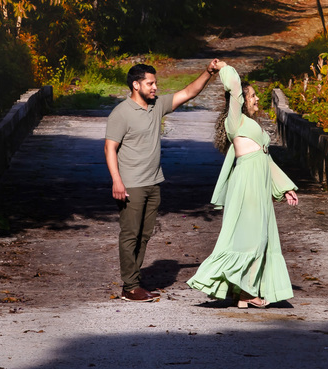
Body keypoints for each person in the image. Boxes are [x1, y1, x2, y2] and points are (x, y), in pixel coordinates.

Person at [105, 58, 225, 302]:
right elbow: (109, 148)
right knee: (130, 234)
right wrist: (116, 181)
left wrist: (208, 72)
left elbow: (189, 92)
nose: (155, 87)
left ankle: (134, 282)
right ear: (136, 85)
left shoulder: (156, 105)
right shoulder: (121, 113)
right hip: (131, 184)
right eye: (150, 83)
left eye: (155, 83)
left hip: (153, 182)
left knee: (145, 234)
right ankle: (130, 286)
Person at [187, 65, 298, 308]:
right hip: (247, 183)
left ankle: (243, 293)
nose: (257, 98)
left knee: (259, 237)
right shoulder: (234, 120)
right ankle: (247, 293)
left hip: (259, 181)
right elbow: (235, 87)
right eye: (253, 95)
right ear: (241, 100)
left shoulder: (249, 123)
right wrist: (224, 67)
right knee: (250, 238)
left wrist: (285, 187)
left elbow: (265, 158)